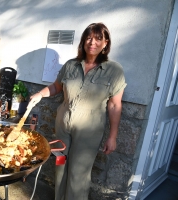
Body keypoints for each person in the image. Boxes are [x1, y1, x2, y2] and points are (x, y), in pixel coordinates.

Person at [28, 23, 127, 200]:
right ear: (83, 41)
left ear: (106, 43)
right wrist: (40, 94)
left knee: (78, 173)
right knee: (60, 166)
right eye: (88, 37)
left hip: (89, 130)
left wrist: (113, 136)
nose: (92, 42)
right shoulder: (71, 65)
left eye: (98, 38)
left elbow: (114, 105)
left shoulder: (114, 70)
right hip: (63, 125)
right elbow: (57, 87)